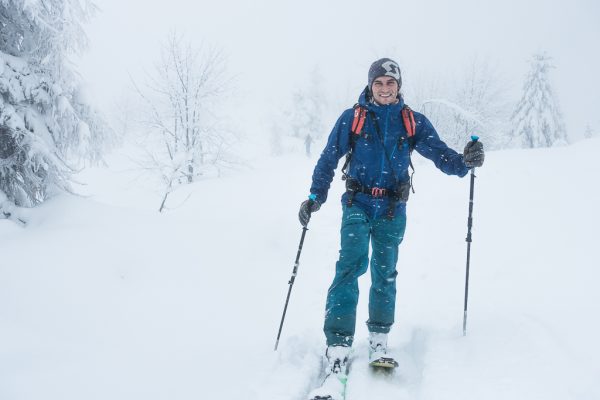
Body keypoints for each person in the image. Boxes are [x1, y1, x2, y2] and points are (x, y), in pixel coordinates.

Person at [298, 58, 484, 398]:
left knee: (385, 273)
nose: (385, 88)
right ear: (371, 85)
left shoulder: (411, 122)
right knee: (349, 268)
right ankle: (338, 345)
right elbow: (328, 158)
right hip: (357, 204)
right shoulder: (353, 118)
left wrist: (465, 161)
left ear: (399, 86)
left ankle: (379, 338)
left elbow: (441, 156)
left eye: (391, 83)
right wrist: (315, 196)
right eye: (379, 83)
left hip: (391, 210)